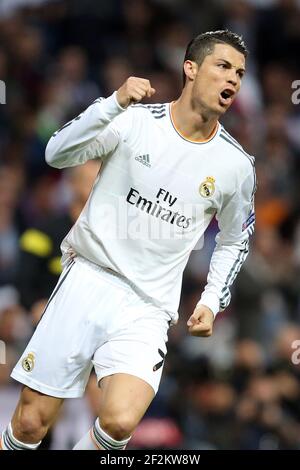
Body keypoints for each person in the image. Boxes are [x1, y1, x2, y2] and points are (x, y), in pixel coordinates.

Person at [0, 30, 256, 451]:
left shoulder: (236, 166)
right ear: (190, 68)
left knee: (119, 422)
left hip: (149, 307)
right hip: (89, 279)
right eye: (223, 66)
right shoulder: (135, 120)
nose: (233, 80)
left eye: (241, 73)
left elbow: (234, 240)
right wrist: (113, 103)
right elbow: (56, 153)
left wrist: (211, 300)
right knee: (30, 424)